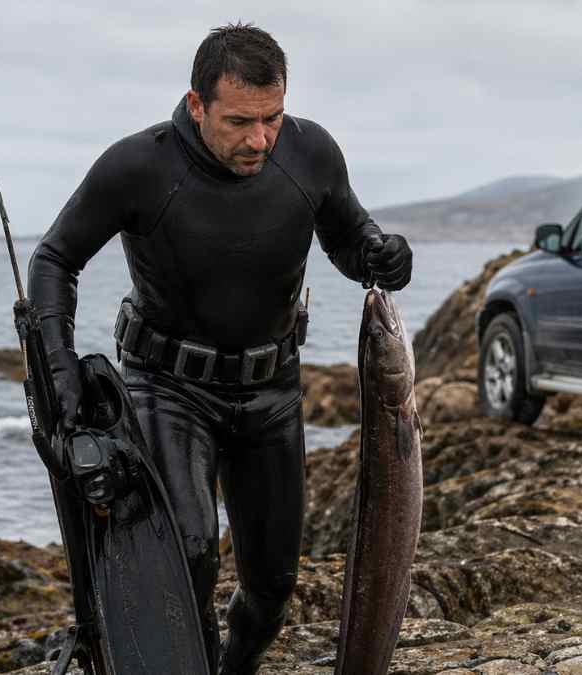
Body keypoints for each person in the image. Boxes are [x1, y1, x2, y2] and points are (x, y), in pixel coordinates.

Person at [28, 22, 412, 674]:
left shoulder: (310, 152)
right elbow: (55, 258)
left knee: (272, 586)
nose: (260, 139)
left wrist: (379, 252)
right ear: (197, 104)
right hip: (169, 386)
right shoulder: (140, 165)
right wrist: (58, 366)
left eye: (272, 117)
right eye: (240, 121)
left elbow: (347, 236)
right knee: (191, 554)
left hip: (271, 390)